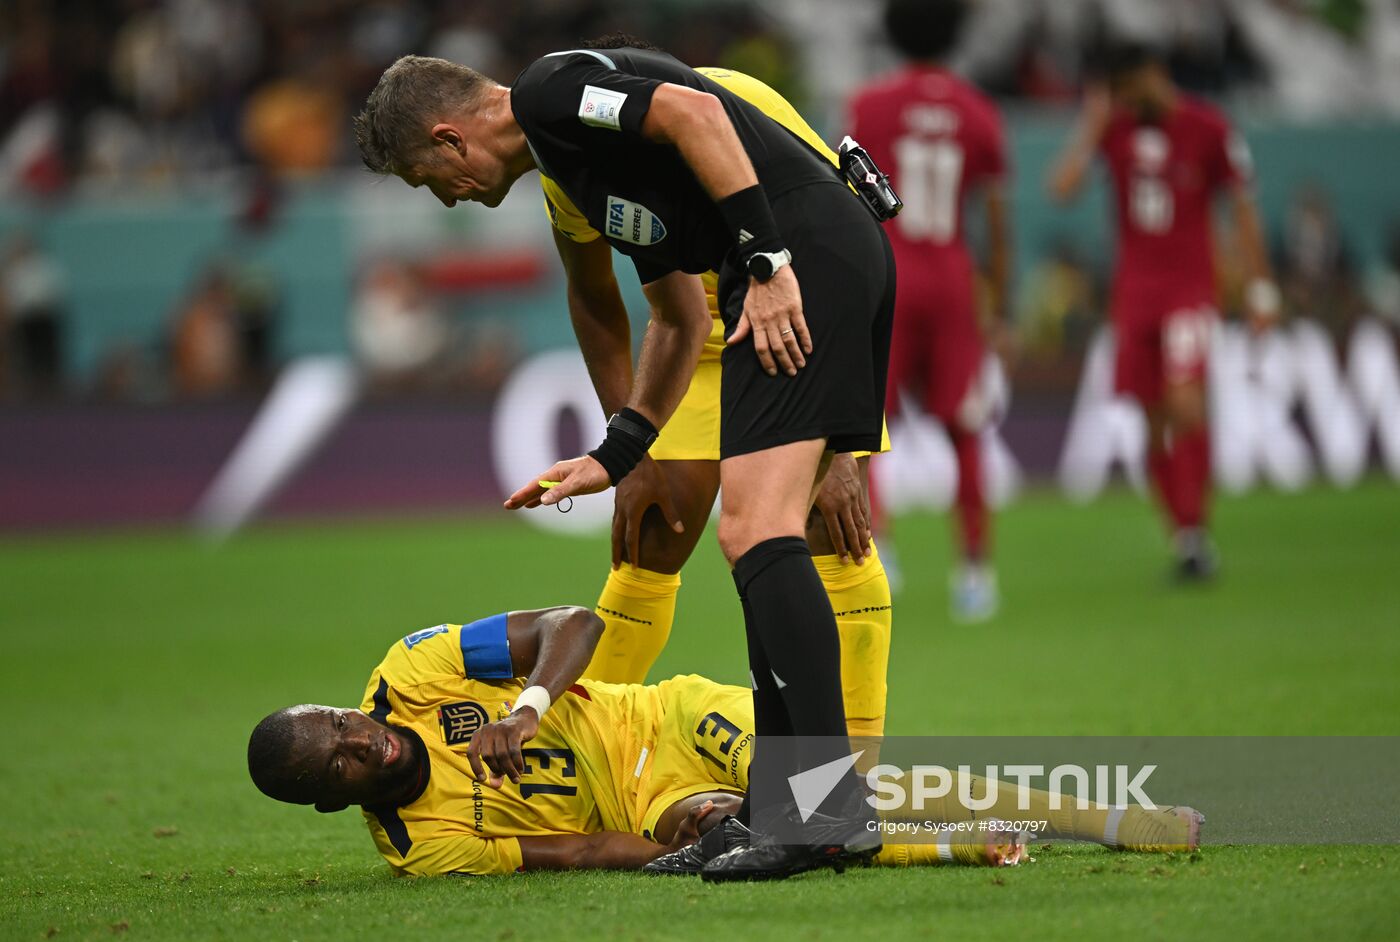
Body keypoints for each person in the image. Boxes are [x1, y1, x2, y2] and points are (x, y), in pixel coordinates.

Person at [353, 38, 895, 880]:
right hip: (795, 260)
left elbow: (696, 110)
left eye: (432, 179)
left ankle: (827, 807)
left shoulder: (546, 94)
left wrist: (765, 258)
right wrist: (619, 450)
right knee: (754, 536)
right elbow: (677, 319)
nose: (452, 202)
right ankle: (782, 809)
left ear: (451, 137)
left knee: (759, 531)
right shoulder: (586, 172)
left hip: (801, 260)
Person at [247, 608, 1201, 877]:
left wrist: (531, 702)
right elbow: (573, 848)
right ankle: (960, 839)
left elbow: (571, 624)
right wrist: (676, 845)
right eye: (336, 762)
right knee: (792, 818)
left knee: (840, 787)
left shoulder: (411, 672)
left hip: (659, 718)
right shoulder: (424, 849)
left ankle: (1111, 821)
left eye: (337, 722)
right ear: (333, 800)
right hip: (644, 803)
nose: (358, 740)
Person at [537, 61, 893, 758]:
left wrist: (837, 451)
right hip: (685, 340)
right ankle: (573, 764)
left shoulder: (736, 98)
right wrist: (625, 449)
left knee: (829, 527)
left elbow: (831, 228)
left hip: (782, 312)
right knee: (652, 533)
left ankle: (855, 768)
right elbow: (594, 297)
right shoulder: (566, 160)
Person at [1048, 42, 1278, 580]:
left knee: (1186, 403)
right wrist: (1091, 125)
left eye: (1128, 88)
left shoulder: (1210, 127)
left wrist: (1260, 288)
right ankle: (1182, 536)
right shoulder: (1116, 129)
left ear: (1154, 75)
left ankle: (1197, 530)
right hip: (1135, 296)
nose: (1125, 99)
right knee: (1150, 419)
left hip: (1190, 290)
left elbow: (1243, 209)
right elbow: (1060, 189)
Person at [848, 0, 1012, 622]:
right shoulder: (979, 111)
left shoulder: (871, 105)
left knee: (863, 424)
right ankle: (975, 574)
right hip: (952, 280)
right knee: (965, 430)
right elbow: (995, 216)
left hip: (887, 277)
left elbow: (850, 198)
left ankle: (878, 549)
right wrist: (1000, 300)